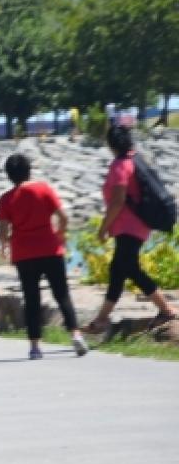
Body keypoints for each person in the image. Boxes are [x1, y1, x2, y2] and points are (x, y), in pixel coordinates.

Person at [82, 126, 177, 334]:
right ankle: (101, 320)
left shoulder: (120, 166)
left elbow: (117, 201)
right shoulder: (136, 159)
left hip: (128, 227)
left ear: (110, 144)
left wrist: (103, 228)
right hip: (138, 226)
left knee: (129, 269)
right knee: (119, 270)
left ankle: (167, 309)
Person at [0, 153, 89, 359]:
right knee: (62, 294)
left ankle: (35, 346)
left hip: (24, 253)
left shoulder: (6, 199)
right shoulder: (43, 189)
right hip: (50, 249)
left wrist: (5, 242)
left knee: (31, 299)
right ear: (29, 170)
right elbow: (63, 217)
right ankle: (76, 335)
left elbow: (3, 231)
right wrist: (60, 234)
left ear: (9, 175)